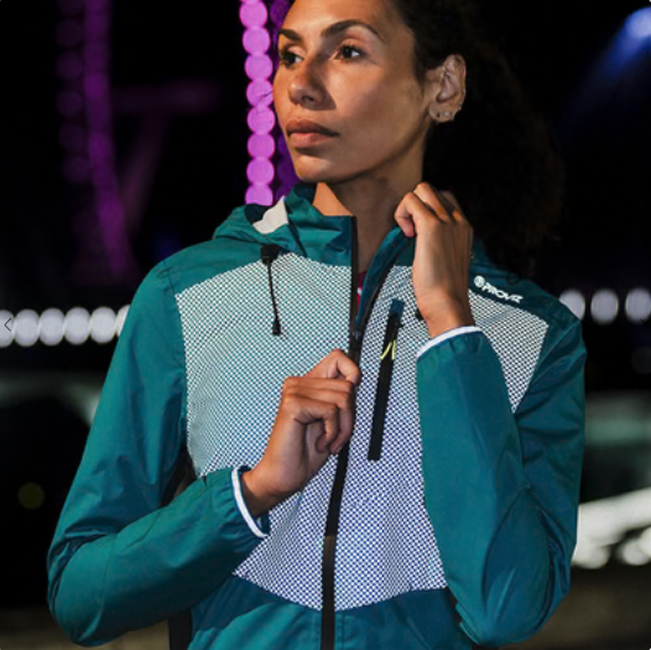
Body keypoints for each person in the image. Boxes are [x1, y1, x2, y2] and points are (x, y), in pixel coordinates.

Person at [47, 0, 586, 648]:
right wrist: (250, 495)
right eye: (290, 55)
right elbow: (81, 594)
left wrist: (450, 326)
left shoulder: (533, 335)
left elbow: (505, 610)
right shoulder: (183, 295)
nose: (299, 85)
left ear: (442, 87)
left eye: (348, 51)